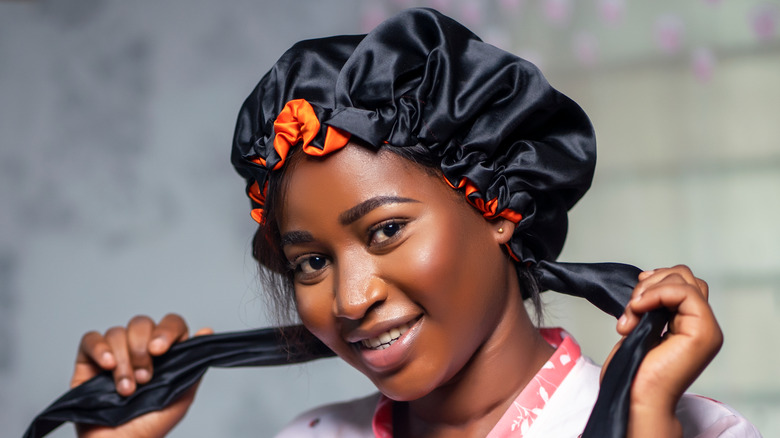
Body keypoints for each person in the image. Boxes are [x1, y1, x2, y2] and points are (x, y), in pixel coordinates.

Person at [67, 8, 760, 438]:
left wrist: (643, 420)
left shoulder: (691, 429)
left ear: (494, 205)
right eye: (311, 260)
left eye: (385, 230)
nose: (349, 298)